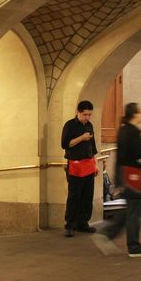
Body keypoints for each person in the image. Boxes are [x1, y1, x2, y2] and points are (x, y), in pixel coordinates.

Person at [92, 102, 141, 258]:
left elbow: (120, 157)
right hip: (133, 174)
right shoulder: (134, 131)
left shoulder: (123, 130)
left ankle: (106, 234)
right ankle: (134, 246)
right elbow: (140, 154)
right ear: (135, 114)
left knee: (130, 208)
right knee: (134, 210)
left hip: (124, 173)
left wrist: (118, 178)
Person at [60, 100, 99, 237]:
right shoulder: (70, 125)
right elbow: (65, 144)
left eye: (89, 115)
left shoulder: (90, 126)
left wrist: (95, 164)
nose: (87, 117)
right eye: (85, 115)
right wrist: (82, 138)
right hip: (75, 164)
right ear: (78, 112)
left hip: (88, 164)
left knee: (87, 196)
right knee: (74, 196)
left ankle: (83, 223)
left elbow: (93, 147)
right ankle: (70, 225)